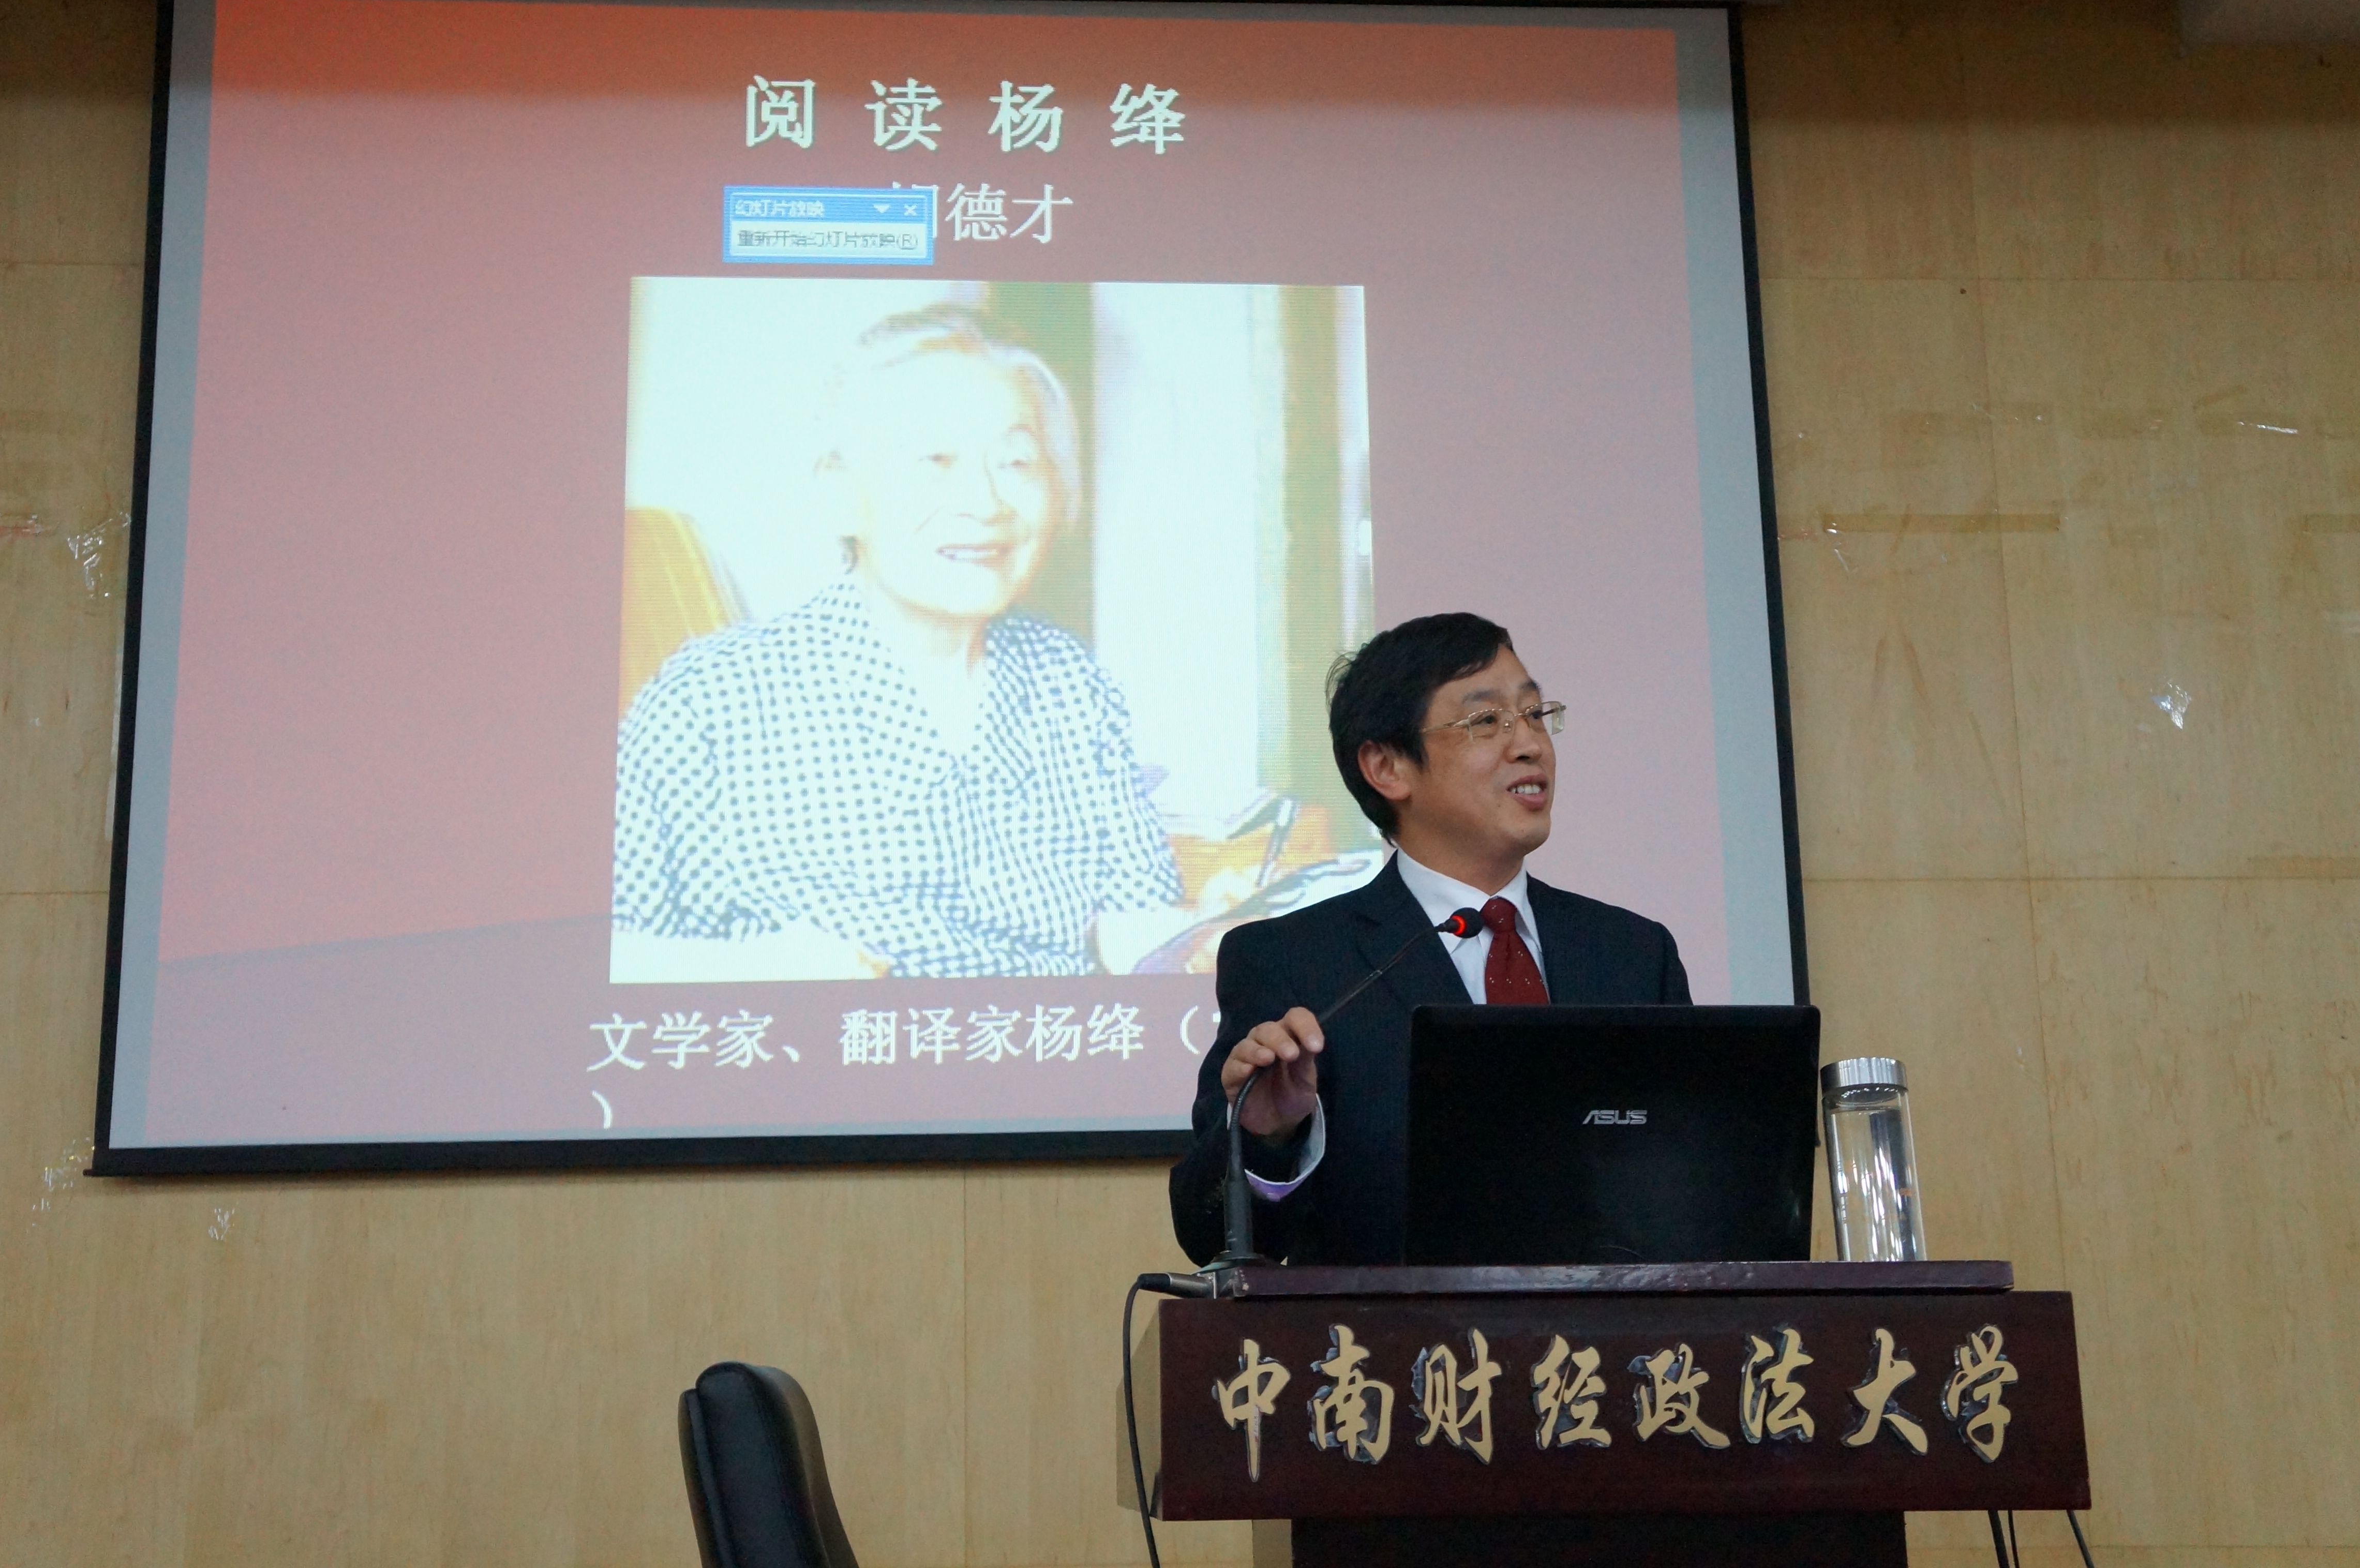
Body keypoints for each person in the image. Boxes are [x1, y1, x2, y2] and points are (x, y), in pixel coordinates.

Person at [613, 303, 1180, 979]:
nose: (985, 502)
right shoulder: (709, 702)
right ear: (841, 493)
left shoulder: (1070, 683)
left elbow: (1137, 922)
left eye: (1017, 461)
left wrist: (1220, 930)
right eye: (936, 460)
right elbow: (600, 954)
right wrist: (762, 967)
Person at [1168, 611, 1690, 1264]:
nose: (1529, 744)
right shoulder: (1294, 962)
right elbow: (1206, 1235)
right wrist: (1269, 1139)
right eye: (1486, 721)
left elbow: (1686, 1189)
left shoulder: (1633, 955)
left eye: (1534, 714)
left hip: (1609, 1328)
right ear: (1387, 767)